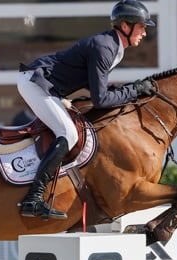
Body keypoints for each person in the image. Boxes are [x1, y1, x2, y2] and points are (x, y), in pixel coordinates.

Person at [16, 0, 156, 220]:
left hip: (47, 85)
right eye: (142, 26)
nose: (145, 32)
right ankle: (34, 198)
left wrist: (131, 90)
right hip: (36, 82)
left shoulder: (113, 47)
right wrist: (134, 90)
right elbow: (100, 99)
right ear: (125, 26)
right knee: (69, 133)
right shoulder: (105, 47)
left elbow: (96, 88)